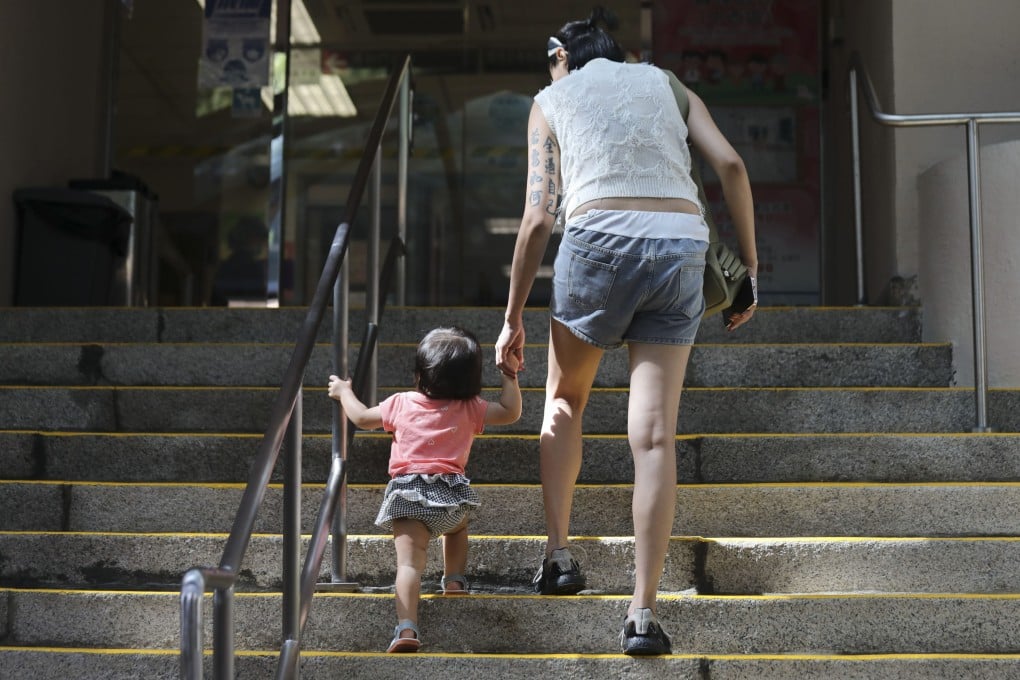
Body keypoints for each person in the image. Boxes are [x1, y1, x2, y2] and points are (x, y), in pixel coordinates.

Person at [494, 6, 758, 656]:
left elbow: (535, 220)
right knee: (655, 436)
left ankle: (558, 556)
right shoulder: (668, 82)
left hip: (597, 244)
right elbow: (731, 167)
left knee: (564, 401)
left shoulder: (551, 97)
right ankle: (642, 612)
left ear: (561, 53)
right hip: (680, 248)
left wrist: (510, 320)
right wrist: (749, 268)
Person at [328, 326, 522, 653]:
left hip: (408, 499)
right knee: (458, 530)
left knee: (408, 566)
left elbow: (361, 417)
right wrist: (509, 373)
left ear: (420, 375)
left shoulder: (401, 403)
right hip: (451, 500)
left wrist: (343, 391)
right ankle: (455, 580)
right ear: (472, 379)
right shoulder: (471, 407)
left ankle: (406, 629)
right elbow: (510, 411)